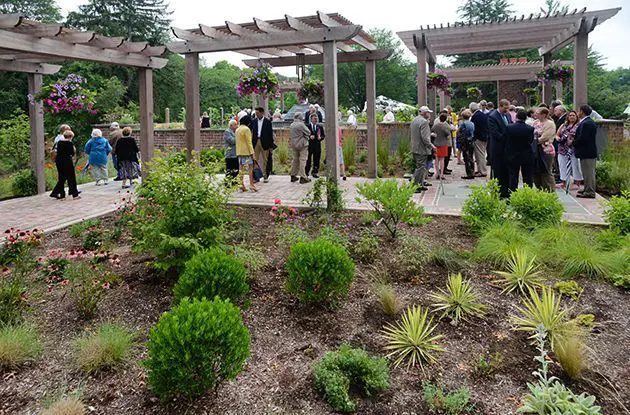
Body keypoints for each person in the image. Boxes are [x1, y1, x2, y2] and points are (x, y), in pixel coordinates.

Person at [488, 99, 512, 198]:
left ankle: (506, 191)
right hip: (497, 148)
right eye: (505, 108)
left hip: (507, 149)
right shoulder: (492, 117)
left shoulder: (508, 115)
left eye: (508, 108)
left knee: (506, 171)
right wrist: (507, 137)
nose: (507, 110)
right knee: (498, 171)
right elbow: (495, 133)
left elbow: (510, 126)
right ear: (500, 106)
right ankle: (498, 192)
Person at [505, 109, 535, 193]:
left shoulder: (509, 127)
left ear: (516, 117)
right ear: (525, 118)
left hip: (512, 154)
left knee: (513, 176)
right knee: (527, 177)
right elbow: (531, 141)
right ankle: (527, 194)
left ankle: (512, 193)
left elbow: (507, 140)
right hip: (526, 154)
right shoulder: (530, 129)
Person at [573, 105, 598, 198]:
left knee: (589, 173)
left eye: (579, 111)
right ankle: (587, 188)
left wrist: (574, 143)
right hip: (586, 152)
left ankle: (590, 191)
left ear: (582, 112)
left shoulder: (587, 123)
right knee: (586, 172)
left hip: (587, 152)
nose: (578, 113)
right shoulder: (587, 122)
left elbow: (583, 138)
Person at [410, 106, 436, 192]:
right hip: (421, 148)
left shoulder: (414, 120)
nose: (429, 114)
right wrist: (432, 146)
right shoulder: (424, 122)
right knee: (420, 167)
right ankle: (414, 186)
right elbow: (425, 138)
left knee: (420, 166)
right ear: (424, 113)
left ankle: (420, 184)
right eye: (428, 112)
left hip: (415, 146)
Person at [555, 110, 583, 189]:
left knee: (575, 165)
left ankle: (577, 183)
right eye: (570, 115)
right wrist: (558, 138)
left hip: (573, 149)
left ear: (576, 117)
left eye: (573, 115)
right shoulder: (563, 125)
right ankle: (564, 182)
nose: (571, 117)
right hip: (562, 148)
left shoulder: (579, 125)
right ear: (567, 117)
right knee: (562, 165)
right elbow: (557, 134)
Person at [50, 130, 80, 200]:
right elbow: (72, 153)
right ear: (71, 136)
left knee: (61, 177)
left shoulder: (59, 142)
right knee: (71, 178)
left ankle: (62, 195)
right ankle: (75, 194)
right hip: (67, 161)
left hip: (59, 161)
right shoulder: (69, 143)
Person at [532, 107, 556, 192]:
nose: (535, 114)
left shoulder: (550, 124)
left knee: (546, 170)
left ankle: (549, 190)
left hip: (546, 149)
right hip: (535, 149)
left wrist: (535, 140)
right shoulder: (535, 122)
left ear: (544, 114)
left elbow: (546, 136)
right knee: (535, 170)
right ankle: (539, 188)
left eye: (537, 113)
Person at [249, 107, 274, 183]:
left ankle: (265, 175)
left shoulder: (268, 122)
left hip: (265, 142)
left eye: (258, 113)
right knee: (254, 159)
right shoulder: (253, 121)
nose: (256, 115)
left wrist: (270, 146)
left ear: (262, 113)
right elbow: (249, 130)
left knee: (265, 159)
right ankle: (255, 176)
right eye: (256, 113)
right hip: (255, 141)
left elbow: (270, 134)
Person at [236, 115, 257, 192]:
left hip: (239, 152)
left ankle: (241, 184)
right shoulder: (246, 129)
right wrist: (252, 153)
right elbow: (249, 142)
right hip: (247, 152)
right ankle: (251, 184)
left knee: (241, 168)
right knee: (250, 168)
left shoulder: (237, 129)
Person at [289, 113, 311, 184]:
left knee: (295, 160)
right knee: (303, 160)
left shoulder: (292, 125)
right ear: (299, 117)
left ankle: (293, 175)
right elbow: (308, 132)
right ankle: (303, 177)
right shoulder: (301, 124)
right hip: (302, 144)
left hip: (294, 144)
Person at [470, 102, 489, 177]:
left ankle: (482, 171)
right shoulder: (483, 115)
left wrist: (474, 137)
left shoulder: (475, 116)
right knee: (481, 154)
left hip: (479, 138)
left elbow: (475, 128)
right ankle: (480, 170)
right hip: (485, 137)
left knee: (480, 155)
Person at [432, 112, 451, 180]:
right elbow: (448, 134)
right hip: (443, 144)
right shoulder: (446, 126)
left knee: (436, 159)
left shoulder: (436, 125)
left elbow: (432, 131)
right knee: (442, 159)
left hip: (436, 143)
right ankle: (442, 174)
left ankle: (437, 173)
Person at [457, 109, 476, 179]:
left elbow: (458, 131)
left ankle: (469, 173)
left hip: (465, 142)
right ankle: (473, 171)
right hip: (471, 141)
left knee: (466, 157)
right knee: (471, 157)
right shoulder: (472, 123)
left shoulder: (463, 124)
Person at [305, 112, 325, 179]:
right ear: (311, 119)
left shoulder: (320, 127)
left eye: (316, 119)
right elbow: (304, 135)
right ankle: (306, 172)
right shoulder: (307, 126)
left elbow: (323, 135)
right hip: (309, 145)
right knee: (308, 159)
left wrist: (320, 138)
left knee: (316, 159)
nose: (316, 120)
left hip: (317, 145)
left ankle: (315, 172)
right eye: (314, 119)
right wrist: (310, 137)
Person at [223, 119, 239, 185]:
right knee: (229, 169)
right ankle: (227, 183)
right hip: (230, 154)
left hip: (235, 154)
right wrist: (239, 138)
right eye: (235, 124)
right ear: (231, 125)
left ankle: (234, 182)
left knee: (235, 169)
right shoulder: (227, 132)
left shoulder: (235, 132)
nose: (237, 126)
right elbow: (232, 141)